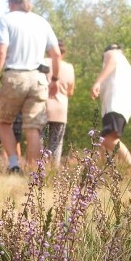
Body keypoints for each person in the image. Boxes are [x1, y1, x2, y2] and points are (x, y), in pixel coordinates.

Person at [0, 0, 61, 174]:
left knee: (5, 122)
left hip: (15, 77)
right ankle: (35, 173)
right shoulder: (41, 22)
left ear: (11, 3)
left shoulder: (7, 19)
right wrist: (55, 80)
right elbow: (56, 54)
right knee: (33, 127)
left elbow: (1, 51)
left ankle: (13, 165)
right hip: (38, 79)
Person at [91, 43, 131, 168]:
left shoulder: (113, 54)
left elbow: (112, 60)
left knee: (108, 139)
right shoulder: (125, 65)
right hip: (121, 103)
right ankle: (101, 172)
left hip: (116, 102)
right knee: (102, 141)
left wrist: (97, 82)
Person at [44, 40, 75, 168]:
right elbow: (70, 91)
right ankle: (53, 172)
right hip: (60, 109)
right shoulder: (69, 67)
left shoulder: (43, 63)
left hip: (42, 107)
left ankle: (38, 170)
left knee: (40, 140)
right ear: (64, 52)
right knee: (56, 143)